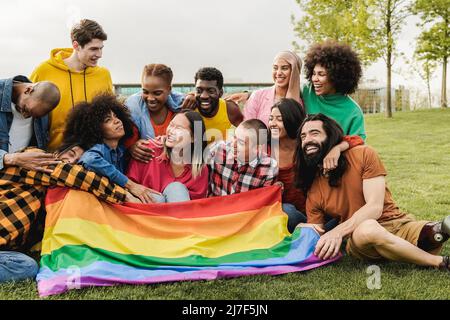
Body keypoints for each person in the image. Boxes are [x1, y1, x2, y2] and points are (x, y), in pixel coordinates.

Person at [294, 113, 450, 271]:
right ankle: (438, 261)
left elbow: (374, 207)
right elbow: (316, 231)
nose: (307, 140)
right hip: (360, 237)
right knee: (368, 228)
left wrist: (337, 232)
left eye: (315, 133)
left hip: (397, 224)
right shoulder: (313, 187)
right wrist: (304, 229)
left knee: (432, 232)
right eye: (303, 136)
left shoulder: (363, 154)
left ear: (331, 137)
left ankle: (431, 234)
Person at [0, 142, 128, 284]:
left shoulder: (49, 195)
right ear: (57, 152)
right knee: (27, 267)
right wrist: (126, 194)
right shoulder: (34, 158)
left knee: (25, 266)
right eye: (71, 154)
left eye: (78, 163)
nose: (71, 162)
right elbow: (75, 175)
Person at [268, 98, 364, 232]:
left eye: (279, 119)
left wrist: (337, 149)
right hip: (292, 214)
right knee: (287, 212)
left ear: (292, 119)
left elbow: (357, 139)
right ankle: (311, 231)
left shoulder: (306, 143)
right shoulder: (266, 147)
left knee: (343, 214)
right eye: (270, 118)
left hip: (319, 212)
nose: (272, 123)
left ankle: (320, 232)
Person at [30, 19, 113, 151]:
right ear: (76, 45)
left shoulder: (104, 75)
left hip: (95, 155)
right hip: (53, 156)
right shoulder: (44, 71)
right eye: (93, 49)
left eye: (101, 48)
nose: (99, 55)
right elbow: (28, 113)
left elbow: (111, 115)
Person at [74, 94, 159, 203]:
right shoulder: (98, 150)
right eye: (108, 120)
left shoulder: (121, 150)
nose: (117, 121)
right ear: (96, 128)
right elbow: (89, 160)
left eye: (116, 116)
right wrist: (131, 185)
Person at [127, 111, 209, 203]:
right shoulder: (146, 151)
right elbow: (128, 187)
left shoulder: (199, 168)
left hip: (180, 212)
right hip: (146, 213)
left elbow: (197, 206)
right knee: (160, 198)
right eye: (171, 125)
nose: (171, 131)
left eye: (178, 128)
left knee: (176, 189)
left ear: (194, 138)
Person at [125, 64, 195, 163]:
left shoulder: (182, 107)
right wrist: (131, 148)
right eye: (145, 92)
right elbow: (126, 145)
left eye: (157, 93)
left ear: (169, 89)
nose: (150, 98)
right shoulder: (134, 110)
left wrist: (194, 97)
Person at [301, 40, 366, 140]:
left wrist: (338, 148)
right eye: (314, 73)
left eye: (321, 74)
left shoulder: (353, 112)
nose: (315, 79)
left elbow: (358, 142)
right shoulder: (305, 91)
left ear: (337, 77)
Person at [0, 75, 61, 172]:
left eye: (32, 116)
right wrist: (11, 159)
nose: (25, 116)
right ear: (28, 90)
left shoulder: (41, 109)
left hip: (16, 180)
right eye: (25, 109)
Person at [207, 119, 277, 196]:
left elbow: (263, 201)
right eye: (234, 137)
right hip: (215, 205)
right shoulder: (218, 149)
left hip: (247, 207)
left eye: (241, 142)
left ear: (257, 148)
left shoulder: (269, 168)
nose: (233, 144)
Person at [244, 51, 303, 127]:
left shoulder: (301, 103)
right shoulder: (257, 96)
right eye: (275, 68)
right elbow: (246, 128)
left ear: (295, 72)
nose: (278, 73)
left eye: (284, 68)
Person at [191, 67, 243, 143]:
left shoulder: (230, 109)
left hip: (220, 153)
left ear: (220, 93)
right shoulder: (190, 108)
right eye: (199, 90)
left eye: (211, 91)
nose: (203, 96)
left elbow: (246, 135)